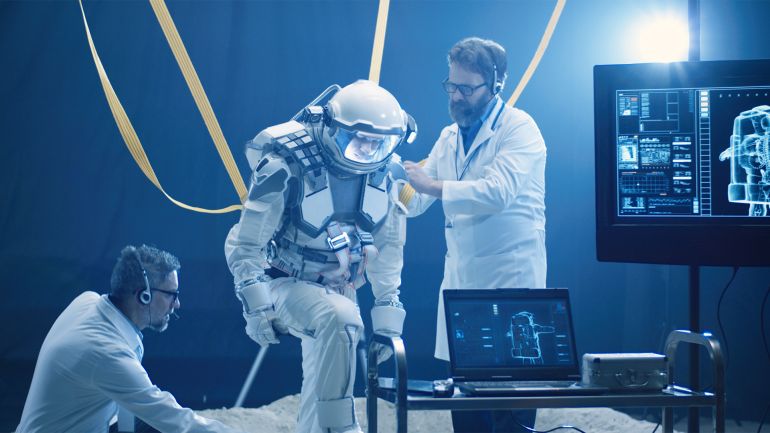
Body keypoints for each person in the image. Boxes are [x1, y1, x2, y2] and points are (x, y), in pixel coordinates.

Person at [225, 80, 416, 433]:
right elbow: (245, 242)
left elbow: (388, 247)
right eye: (359, 139)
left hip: (340, 286)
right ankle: (339, 429)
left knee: (330, 353)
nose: (367, 151)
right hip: (282, 281)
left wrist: (388, 313)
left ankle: (318, 428)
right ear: (332, 129)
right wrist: (255, 304)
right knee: (341, 319)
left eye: (379, 143)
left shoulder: (385, 173)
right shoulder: (287, 164)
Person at [404, 37, 547, 433]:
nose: (457, 96)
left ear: (496, 85)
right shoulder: (450, 136)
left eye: (467, 88)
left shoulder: (520, 129)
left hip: (509, 285)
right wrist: (387, 180)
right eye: (452, 86)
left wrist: (430, 185)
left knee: (509, 413)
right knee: (466, 413)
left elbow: (496, 191)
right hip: (461, 290)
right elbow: (415, 199)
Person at [16, 245, 243, 433]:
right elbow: (173, 419)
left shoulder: (89, 303)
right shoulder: (105, 351)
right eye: (171, 294)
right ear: (143, 295)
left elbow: (125, 399)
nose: (177, 304)